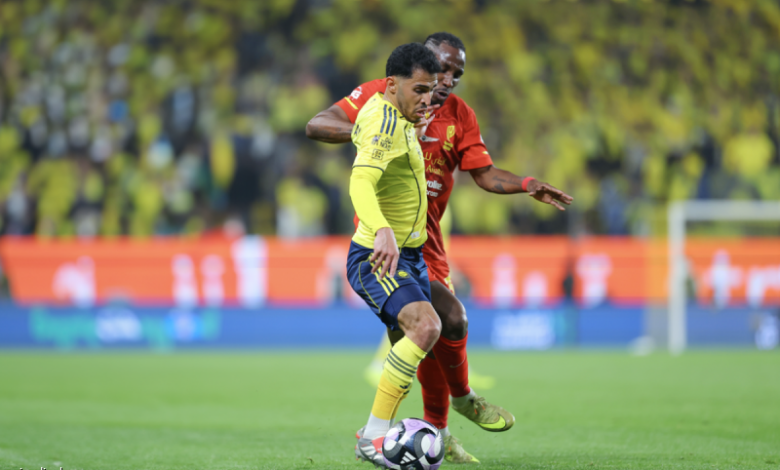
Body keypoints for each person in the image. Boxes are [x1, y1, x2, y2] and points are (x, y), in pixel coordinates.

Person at [308, 32, 574, 464]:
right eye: (440, 70)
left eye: (455, 74)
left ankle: (449, 410)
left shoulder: (456, 114)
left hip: (422, 245)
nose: (446, 81)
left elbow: (483, 173)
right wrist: (369, 134)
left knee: (448, 321)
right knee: (424, 329)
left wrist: (527, 184)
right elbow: (322, 131)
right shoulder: (384, 103)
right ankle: (400, 432)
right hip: (384, 244)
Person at [344, 42, 442, 467]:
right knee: (427, 325)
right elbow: (360, 181)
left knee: (412, 342)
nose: (427, 99)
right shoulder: (384, 122)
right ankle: (373, 437)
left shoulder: (400, 118)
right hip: (378, 255)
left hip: (409, 255)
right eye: (419, 90)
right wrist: (382, 229)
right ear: (390, 85)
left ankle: (381, 434)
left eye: (432, 91)